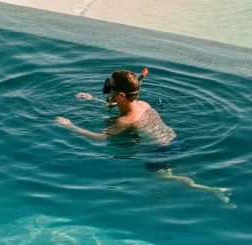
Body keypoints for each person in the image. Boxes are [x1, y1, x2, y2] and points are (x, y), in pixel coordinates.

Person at [56, 69, 231, 204]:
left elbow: (100, 138)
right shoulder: (142, 104)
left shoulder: (125, 120)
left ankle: (210, 190)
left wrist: (70, 126)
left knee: (165, 177)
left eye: (111, 89)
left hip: (159, 151)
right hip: (176, 141)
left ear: (120, 95)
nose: (108, 92)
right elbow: (119, 103)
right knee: (178, 168)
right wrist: (93, 100)